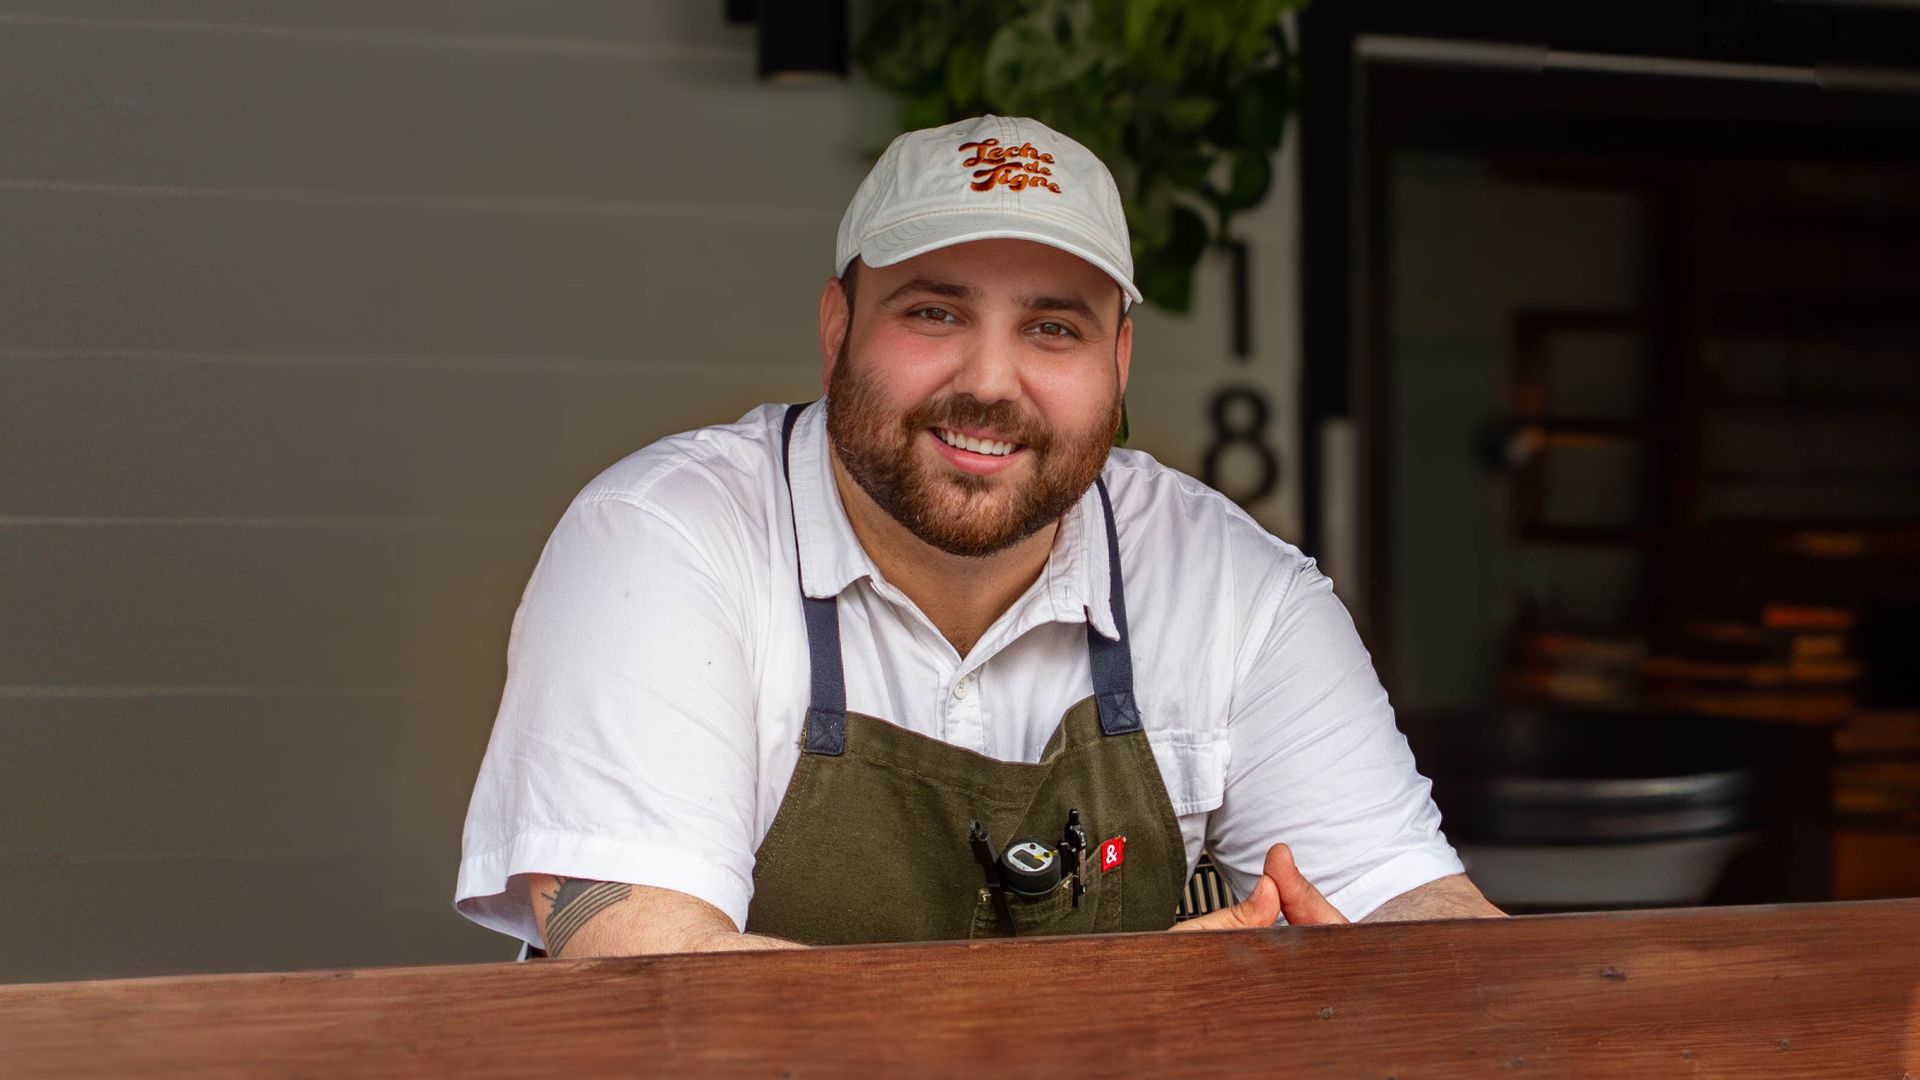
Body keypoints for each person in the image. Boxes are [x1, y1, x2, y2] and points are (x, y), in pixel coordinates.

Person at [455, 114, 1500, 958]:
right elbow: (654, 971)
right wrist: (1125, 1028)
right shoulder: (663, 541)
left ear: (1120, 362)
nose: (990, 383)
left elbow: (1416, 920)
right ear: (836, 330)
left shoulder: (1239, 592)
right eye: (934, 313)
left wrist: (1422, 976)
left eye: (1054, 327)